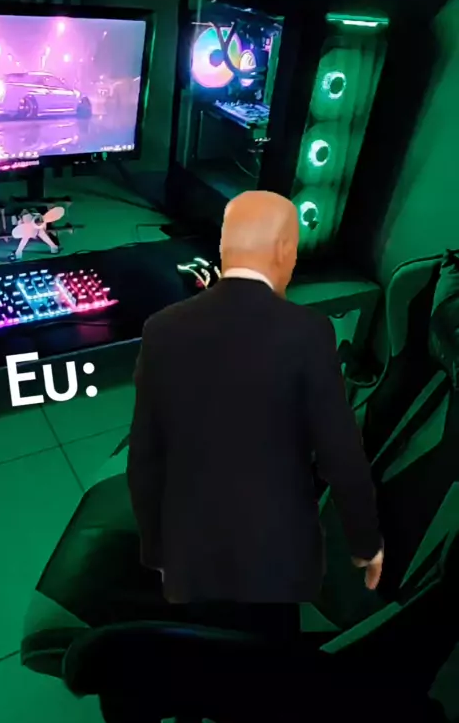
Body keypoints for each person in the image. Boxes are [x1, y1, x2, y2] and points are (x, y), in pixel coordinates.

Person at [127, 190, 383, 618]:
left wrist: (157, 551)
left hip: (190, 554)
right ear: (283, 250)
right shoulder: (310, 331)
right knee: (269, 642)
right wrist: (365, 542)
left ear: (224, 247)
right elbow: (340, 454)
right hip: (278, 556)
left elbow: (145, 458)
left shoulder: (161, 328)